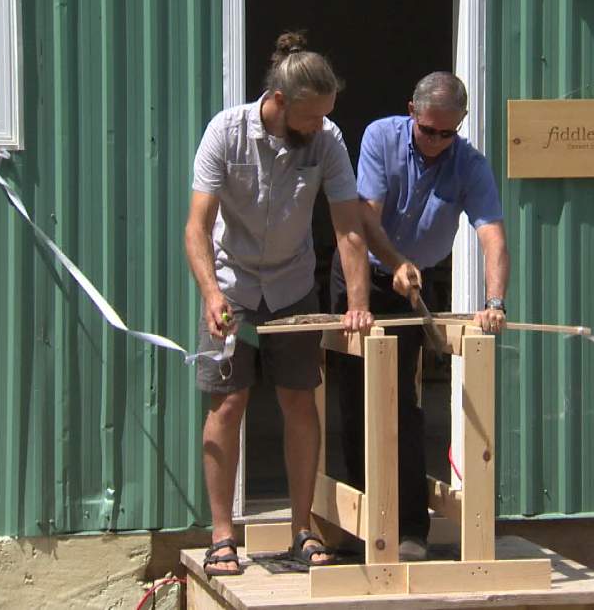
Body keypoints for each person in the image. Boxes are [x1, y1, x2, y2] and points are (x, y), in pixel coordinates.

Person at [185, 31, 374, 576]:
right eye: (312, 118)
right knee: (228, 404)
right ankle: (223, 537)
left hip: (292, 292)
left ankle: (301, 530)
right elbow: (196, 228)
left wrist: (357, 302)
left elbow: (349, 227)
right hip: (234, 293)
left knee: (299, 400)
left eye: (325, 117)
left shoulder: (328, 140)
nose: (320, 127)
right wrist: (211, 294)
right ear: (280, 103)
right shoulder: (226, 133)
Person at [327, 71, 509, 561]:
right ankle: (362, 526)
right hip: (362, 274)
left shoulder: (470, 165)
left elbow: (491, 234)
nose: (435, 142)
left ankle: (410, 528)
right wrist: (395, 263)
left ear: (461, 124)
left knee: (401, 406)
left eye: (447, 133)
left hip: (411, 288)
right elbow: (365, 215)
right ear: (412, 110)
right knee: (355, 400)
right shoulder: (380, 138)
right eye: (428, 131)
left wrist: (494, 303)